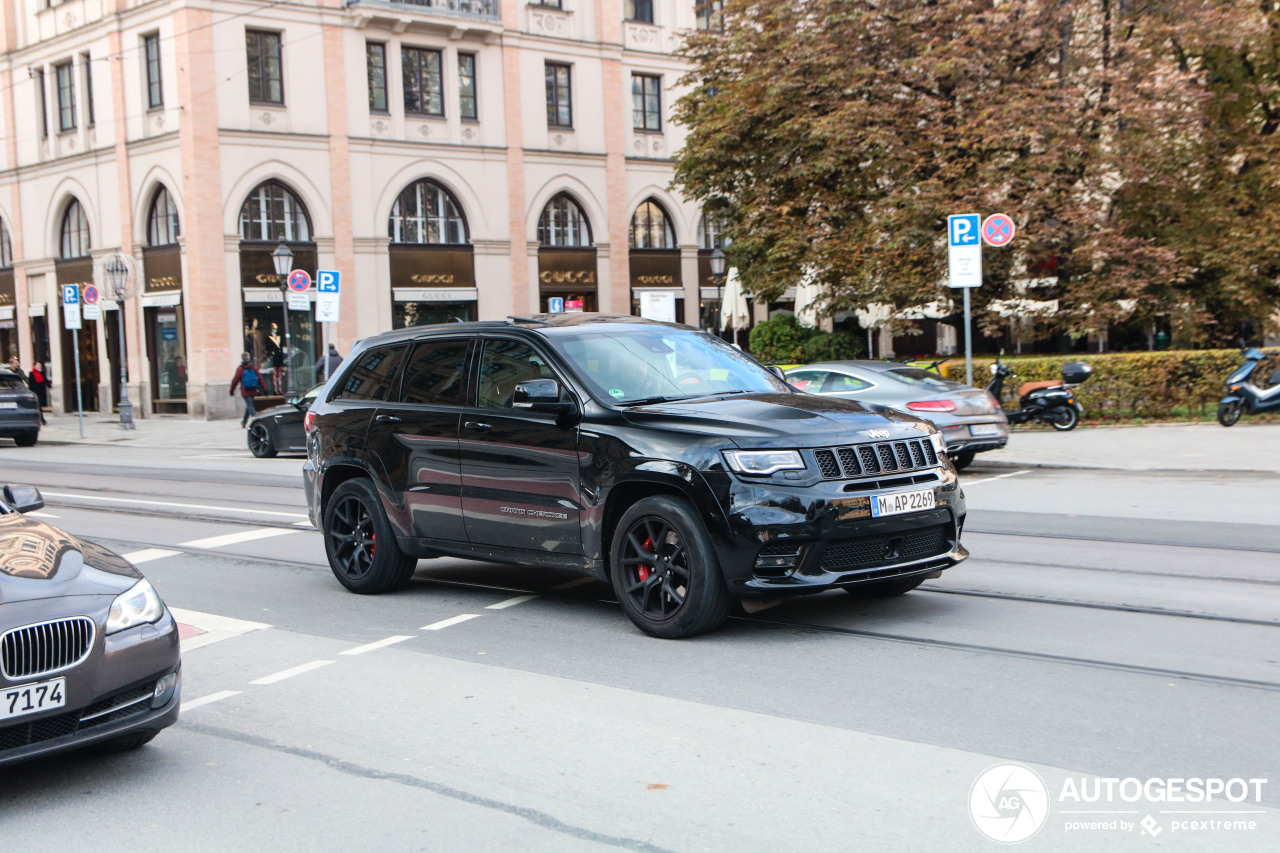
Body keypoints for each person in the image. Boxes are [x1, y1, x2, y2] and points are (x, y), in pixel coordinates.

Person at [229, 352, 261, 427]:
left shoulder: (240, 369)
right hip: (253, 389)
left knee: (249, 406)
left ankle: (255, 421)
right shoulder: (253, 367)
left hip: (245, 391)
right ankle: (245, 422)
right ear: (249, 358)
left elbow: (235, 380)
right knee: (250, 405)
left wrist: (231, 390)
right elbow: (260, 378)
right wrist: (265, 389)